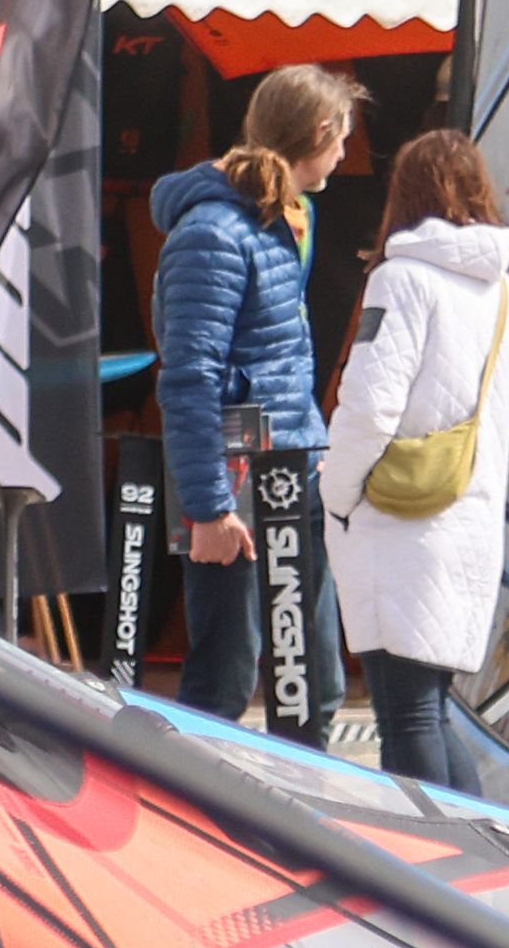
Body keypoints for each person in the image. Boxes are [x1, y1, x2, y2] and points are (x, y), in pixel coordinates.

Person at [147, 65, 356, 722]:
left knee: (314, 680)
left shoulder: (284, 217)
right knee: (224, 674)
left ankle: (305, 815)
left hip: (289, 464)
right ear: (320, 131)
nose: (347, 154)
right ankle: (193, 816)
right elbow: (189, 374)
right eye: (343, 137)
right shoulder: (214, 229)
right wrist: (208, 508)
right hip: (236, 471)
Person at [326, 131, 509, 787]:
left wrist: (335, 491)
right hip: (468, 515)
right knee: (430, 713)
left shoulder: (401, 279)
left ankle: (425, 869)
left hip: (402, 522)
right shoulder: (504, 293)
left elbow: (369, 404)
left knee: (406, 717)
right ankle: (478, 863)